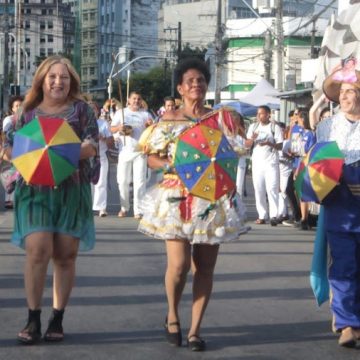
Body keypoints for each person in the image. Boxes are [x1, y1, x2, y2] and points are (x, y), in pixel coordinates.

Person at [137, 58, 249, 352]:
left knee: (205, 268)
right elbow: (151, 157)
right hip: (177, 197)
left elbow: (231, 153)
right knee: (179, 265)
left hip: (211, 198)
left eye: (201, 80)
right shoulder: (168, 121)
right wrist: (169, 164)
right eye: (190, 81)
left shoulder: (220, 120)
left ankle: (195, 330)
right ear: (180, 88)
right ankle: (172, 315)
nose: (196, 85)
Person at [3, 55, 99, 344]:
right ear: (42, 80)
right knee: (37, 251)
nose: (58, 82)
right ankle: (33, 317)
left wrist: (61, 151)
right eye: (53, 77)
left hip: (72, 189)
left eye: (64, 77)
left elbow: (92, 144)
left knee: (65, 256)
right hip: (35, 190)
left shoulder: (82, 110)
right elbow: (10, 145)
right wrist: (14, 154)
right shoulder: (28, 112)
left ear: (72, 82)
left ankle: (57, 317)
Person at [316, 63, 360, 347]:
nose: (346, 97)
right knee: (344, 264)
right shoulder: (326, 126)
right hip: (338, 202)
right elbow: (318, 164)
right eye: (342, 92)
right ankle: (346, 323)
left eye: (352, 91)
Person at [111, 91, 153, 219]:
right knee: (123, 181)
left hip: (140, 151)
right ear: (128, 100)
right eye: (134, 99)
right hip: (124, 150)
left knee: (140, 182)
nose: (136, 101)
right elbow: (111, 128)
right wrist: (119, 128)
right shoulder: (121, 113)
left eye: (138, 99)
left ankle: (138, 210)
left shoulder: (145, 114)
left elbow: (153, 130)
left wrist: (149, 126)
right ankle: (124, 207)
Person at [245, 105, 283, 226]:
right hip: (257, 163)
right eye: (258, 114)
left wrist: (269, 143)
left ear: (268, 115)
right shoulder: (253, 127)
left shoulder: (274, 127)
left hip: (271, 163)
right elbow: (247, 145)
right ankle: (262, 215)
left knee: (272, 188)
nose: (259, 116)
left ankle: (274, 215)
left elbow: (280, 145)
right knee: (259, 189)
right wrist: (252, 138)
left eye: (261, 113)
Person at [289, 109, 316, 230]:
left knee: (303, 192)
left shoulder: (310, 134)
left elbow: (309, 151)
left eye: (299, 118)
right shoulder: (301, 132)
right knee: (298, 191)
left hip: (305, 165)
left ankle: (305, 218)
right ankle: (304, 217)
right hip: (297, 163)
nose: (297, 120)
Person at [89, 100, 113, 217]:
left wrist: (103, 137)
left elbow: (111, 143)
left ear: (97, 111)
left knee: (101, 182)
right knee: (87, 183)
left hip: (101, 156)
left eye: (94, 109)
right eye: (89, 109)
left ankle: (101, 207)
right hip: (86, 157)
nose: (92, 111)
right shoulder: (82, 123)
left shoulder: (103, 123)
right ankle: (88, 206)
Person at [1, 95, 23, 209]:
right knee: (10, 173)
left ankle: (14, 198)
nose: (19, 107)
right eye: (17, 105)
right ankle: (8, 199)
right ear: (12, 108)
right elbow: (7, 134)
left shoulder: (27, 119)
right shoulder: (9, 119)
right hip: (10, 150)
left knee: (18, 174)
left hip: (23, 150)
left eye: (21, 105)